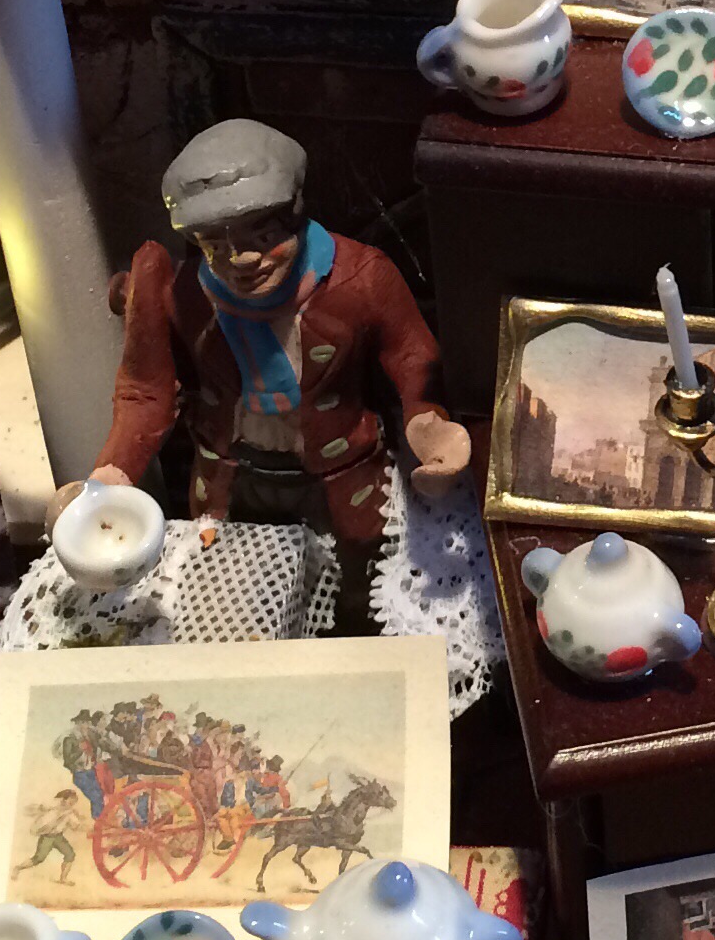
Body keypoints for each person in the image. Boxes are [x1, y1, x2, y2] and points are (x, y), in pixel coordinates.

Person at [55, 120, 469, 634]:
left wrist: (427, 424)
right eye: (216, 245)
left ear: (294, 215)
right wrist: (108, 478)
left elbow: (412, 356)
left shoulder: (361, 278)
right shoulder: (182, 294)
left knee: (358, 590)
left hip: (341, 475)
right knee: (232, 594)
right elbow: (146, 391)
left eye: (264, 236)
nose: (242, 260)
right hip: (233, 477)